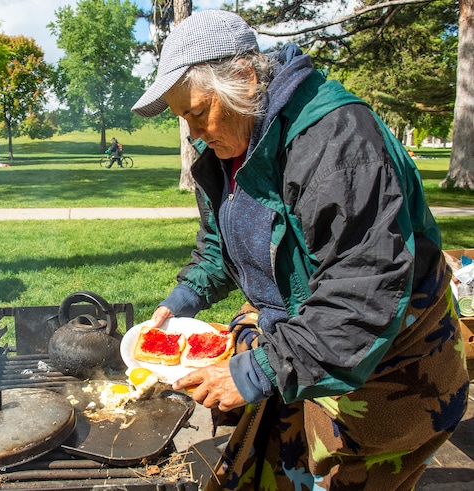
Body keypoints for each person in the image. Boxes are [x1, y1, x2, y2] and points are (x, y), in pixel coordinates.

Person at [131, 10, 469, 490]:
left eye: (197, 111)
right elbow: (218, 245)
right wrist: (180, 301)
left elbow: (361, 295)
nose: (193, 133)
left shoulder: (338, 143)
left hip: (386, 373)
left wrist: (257, 370)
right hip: (303, 350)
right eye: (183, 118)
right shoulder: (232, 145)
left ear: (245, 77)